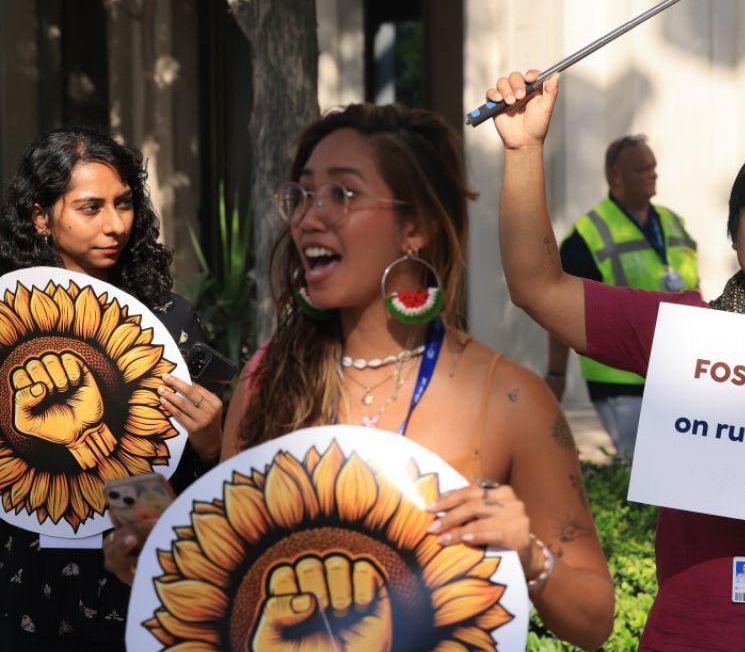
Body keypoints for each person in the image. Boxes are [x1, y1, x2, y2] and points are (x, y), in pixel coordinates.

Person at [107, 104, 615, 649]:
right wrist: (157, 559)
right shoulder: (268, 377)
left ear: (414, 226)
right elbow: (233, 579)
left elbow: (593, 621)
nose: (308, 216)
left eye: (342, 195)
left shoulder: (511, 397)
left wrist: (527, 551)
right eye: (303, 194)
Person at [489, 68, 745, 651]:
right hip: (695, 633)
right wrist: (524, 150)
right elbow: (536, 286)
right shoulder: (687, 334)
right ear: (735, 229)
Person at [0, 128, 224, 651]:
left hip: (132, 587)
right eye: (90, 207)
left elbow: (188, 479)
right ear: (41, 217)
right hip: (20, 588)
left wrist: (214, 440)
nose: (114, 224)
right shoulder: (4, 316)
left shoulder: (170, 321)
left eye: (123, 204)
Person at [545, 133, 699, 457]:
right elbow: (560, 309)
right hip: (621, 380)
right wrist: (557, 374)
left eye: (654, 166)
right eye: (643, 168)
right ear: (616, 177)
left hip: (677, 372)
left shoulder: (673, 223)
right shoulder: (586, 236)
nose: (653, 174)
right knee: (644, 469)